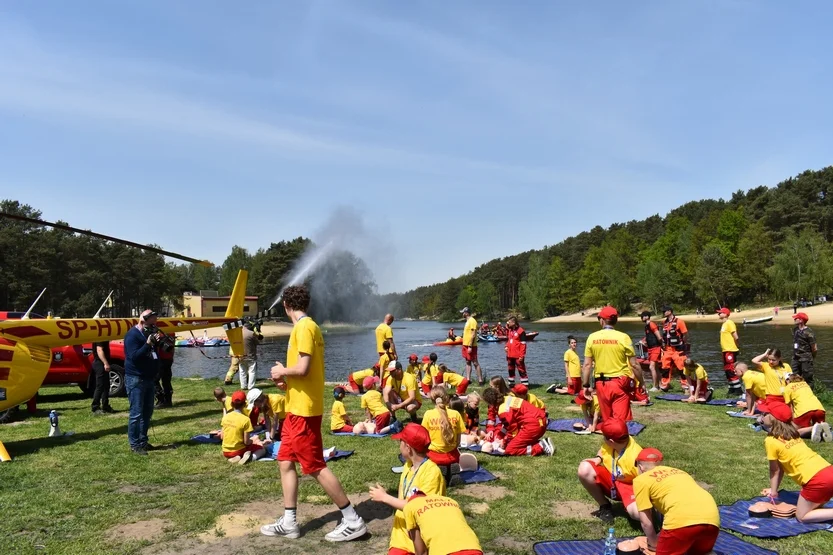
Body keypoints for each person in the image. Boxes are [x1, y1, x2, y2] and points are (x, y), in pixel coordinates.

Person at [262, 285, 367, 542]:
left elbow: (304, 368)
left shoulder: (304, 327)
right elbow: (305, 373)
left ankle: (352, 519)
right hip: (298, 406)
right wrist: (285, 382)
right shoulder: (308, 327)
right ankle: (289, 522)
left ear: (287, 306)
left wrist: (281, 371)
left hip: (303, 411)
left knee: (315, 466)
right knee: (285, 461)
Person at [368, 424, 445, 555]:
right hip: (401, 536)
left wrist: (385, 497)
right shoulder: (408, 466)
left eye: (400, 442)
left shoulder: (432, 473)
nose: (399, 445)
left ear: (408, 448)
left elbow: (419, 508)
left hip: (423, 538)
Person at [632, 448, 720, 555]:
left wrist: (654, 542)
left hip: (681, 521)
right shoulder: (680, 472)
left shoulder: (641, 480)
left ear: (640, 467)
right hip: (712, 518)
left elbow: (645, 522)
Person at [761, 413, 833, 523]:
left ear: (772, 419)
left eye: (765, 413)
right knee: (815, 509)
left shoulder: (771, 441)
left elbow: (774, 470)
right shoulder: (793, 435)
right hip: (828, 470)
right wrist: (773, 490)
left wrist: (774, 492)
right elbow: (780, 468)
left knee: (802, 516)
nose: (762, 416)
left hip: (817, 480)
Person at [582, 306, 643, 423]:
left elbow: (587, 365)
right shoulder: (623, 337)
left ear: (602, 320)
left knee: (608, 419)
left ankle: (609, 438)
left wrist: (585, 385)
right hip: (620, 382)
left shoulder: (592, 337)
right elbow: (634, 365)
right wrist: (642, 383)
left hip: (601, 383)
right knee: (621, 422)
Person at [577, 418, 642, 521]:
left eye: (604, 437)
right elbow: (603, 449)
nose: (603, 439)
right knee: (584, 468)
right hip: (613, 481)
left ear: (611, 441)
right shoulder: (617, 442)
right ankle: (605, 506)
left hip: (630, 487)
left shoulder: (637, 457)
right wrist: (598, 457)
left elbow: (648, 482)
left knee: (638, 514)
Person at [124, 309, 163, 455]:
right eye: (151, 324)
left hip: (148, 378)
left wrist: (156, 344)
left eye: (154, 324)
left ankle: (143, 441)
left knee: (147, 412)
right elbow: (134, 356)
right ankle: (134, 445)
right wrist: (147, 344)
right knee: (136, 413)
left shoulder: (148, 334)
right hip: (136, 378)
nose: (153, 327)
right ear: (143, 321)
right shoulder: (132, 335)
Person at [403, 490, 483, 555]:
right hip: (473, 548)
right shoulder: (451, 501)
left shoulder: (409, 506)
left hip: (444, 551)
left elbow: (421, 552)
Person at [481, 386, 553, 456]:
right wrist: (501, 435)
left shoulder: (503, 411)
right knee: (518, 442)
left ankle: (540, 447)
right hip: (541, 420)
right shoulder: (508, 398)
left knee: (510, 449)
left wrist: (504, 441)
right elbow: (509, 425)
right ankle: (542, 444)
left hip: (533, 426)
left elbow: (513, 431)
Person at [422, 385, 465, 483]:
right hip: (452, 454)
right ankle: (452, 470)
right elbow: (458, 438)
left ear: (432, 400)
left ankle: (440, 472)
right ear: (446, 398)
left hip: (434, 455)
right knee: (453, 454)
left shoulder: (428, 414)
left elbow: (424, 436)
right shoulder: (455, 414)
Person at [221, 390, 266, 464]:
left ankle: (237, 457)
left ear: (232, 404)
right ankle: (250, 458)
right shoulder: (245, 420)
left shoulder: (226, 417)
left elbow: (222, 436)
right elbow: (246, 442)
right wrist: (253, 441)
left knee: (253, 439)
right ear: (245, 404)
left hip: (225, 451)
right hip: (238, 450)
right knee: (262, 449)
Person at [783, 373, 831, 442]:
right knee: (818, 427)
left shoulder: (788, 387)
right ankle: (824, 429)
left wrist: (793, 420)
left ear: (788, 380)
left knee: (794, 432)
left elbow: (790, 405)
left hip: (804, 411)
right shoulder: (805, 384)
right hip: (819, 408)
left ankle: (813, 427)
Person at [751, 348, 792, 421]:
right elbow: (754, 360)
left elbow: (790, 380)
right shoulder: (766, 366)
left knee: (786, 416)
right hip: (771, 397)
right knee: (775, 416)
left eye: (773, 360)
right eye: (769, 359)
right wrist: (765, 354)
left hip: (785, 396)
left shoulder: (786, 366)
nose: (771, 362)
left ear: (779, 358)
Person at [660, 305, 689, 391]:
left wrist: (683, 345)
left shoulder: (679, 322)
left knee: (681, 366)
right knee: (665, 366)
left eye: (665, 311)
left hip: (678, 349)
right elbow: (664, 335)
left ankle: (685, 384)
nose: (663, 313)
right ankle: (665, 384)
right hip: (668, 349)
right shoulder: (664, 323)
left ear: (670, 311)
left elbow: (685, 334)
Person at [717, 307, 743, 396]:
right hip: (725, 350)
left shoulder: (730, 323)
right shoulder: (724, 324)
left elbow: (736, 336)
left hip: (730, 350)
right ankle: (731, 388)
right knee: (727, 370)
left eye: (720, 313)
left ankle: (738, 390)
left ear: (725, 314)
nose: (719, 314)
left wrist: (737, 346)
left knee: (731, 369)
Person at [640, 311, 664, 391]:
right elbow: (649, 336)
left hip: (655, 348)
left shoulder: (651, 324)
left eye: (643, 316)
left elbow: (658, 336)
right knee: (656, 367)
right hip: (650, 348)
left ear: (647, 317)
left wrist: (662, 345)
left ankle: (655, 386)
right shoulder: (646, 326)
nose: (641, 318)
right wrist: (646, 342)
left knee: (651, 366)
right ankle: (661, 384)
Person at [792, 312, 817, 387]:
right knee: (794, 376)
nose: (794, 319)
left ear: (801, 320)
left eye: (796, 318)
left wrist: (811, 357)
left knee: (807, 378)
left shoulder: (809, 332)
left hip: (806, 358)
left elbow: (814, 348)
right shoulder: (795, 330)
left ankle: (810, 395)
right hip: (795, 358)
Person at [90, 339, 114, 415]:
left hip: (103, 363)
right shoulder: (100, 338)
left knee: (106, 385)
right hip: (99, 363)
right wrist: (105, 363)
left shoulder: (104, 337)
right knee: (100, 386)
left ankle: (105, 405)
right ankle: (95, 407)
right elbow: (99, 350)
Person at [460, 307, 483, 385]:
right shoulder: (467, 321)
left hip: (471, 345)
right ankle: (468, 379)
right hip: (465, 345)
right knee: (467, 361)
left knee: (475, 362)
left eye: (463, 312)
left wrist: (470, 346)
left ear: (466, 313)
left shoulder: (472, 321)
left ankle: (480, 380)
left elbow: (473, 335)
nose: (462, 314)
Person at [503, 316, 528, 387]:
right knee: (510, 369)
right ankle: (511, 384)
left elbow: (523, 345)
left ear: (514, 323)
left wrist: (522, 355)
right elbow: (509, 341)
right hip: (510, 355)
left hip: (518, 355)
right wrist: (506, 346)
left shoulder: (521, 331)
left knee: (521, 370)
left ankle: (524, 385)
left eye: (509, 322)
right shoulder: (510, 331)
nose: (508, 323)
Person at [154, 333, 174, 408]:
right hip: (168, 358)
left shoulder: (159, 331)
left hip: (162, 359)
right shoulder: (170, 330)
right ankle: (168, 400)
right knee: (166, 380)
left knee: (154, 379)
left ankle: (161, 399)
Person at [239, 322, 260, 391]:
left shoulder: (238, 333)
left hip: (240, 356)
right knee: (252, 371)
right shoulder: (251, 333)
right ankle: (251, 386)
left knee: (242, 371)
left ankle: (243, 385)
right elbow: (257, 342)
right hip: (251, 355)